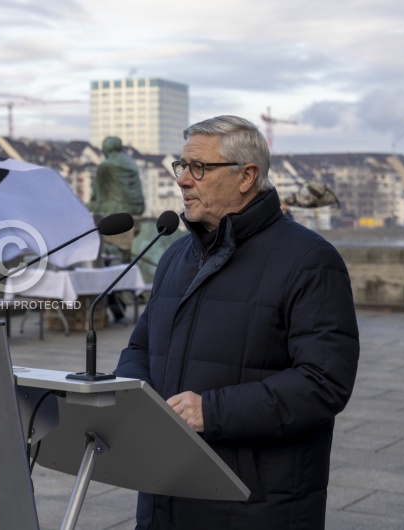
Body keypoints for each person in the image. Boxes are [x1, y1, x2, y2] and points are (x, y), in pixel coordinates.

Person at [114, 116, 359, 529]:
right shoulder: (175, 256)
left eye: (199, 168)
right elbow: (141, 346)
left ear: (246, 176)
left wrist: (211, 411)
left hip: (255, 503)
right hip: (166, 492)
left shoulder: (309, 260)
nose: (183, 180)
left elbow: (324, 382)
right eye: (182, 166)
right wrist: (133, 398)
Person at [88, 136, 146, 322]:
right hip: (136, 208)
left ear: (105, 149)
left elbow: (98, 196)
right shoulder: (130, 162)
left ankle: (113, 304)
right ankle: (116, 304)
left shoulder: (106, 166)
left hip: (114, 209)